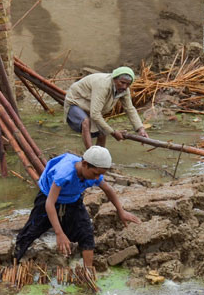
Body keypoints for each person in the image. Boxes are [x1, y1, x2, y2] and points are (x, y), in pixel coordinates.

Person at [13, 146, 140, 281]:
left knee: (86, 232)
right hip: (47, 197)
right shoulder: (64, 174)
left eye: (100, 175)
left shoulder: (94, 173)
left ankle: (88, 272)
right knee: (31, 232)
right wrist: (59, 233)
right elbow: (49, 204)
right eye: (95, 174)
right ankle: (14, 261)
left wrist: (121, 211)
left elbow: (108, 189)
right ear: (85, 164)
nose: (97, 178)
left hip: (73, 199)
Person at [64, 66, 149, 149]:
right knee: (86, 122)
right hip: (76, 101)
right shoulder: (103, 85)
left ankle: (99, 158)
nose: (124, 86)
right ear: (114, 79)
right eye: (122, 82)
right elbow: (95, 114)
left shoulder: (124, 90)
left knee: (103, 131)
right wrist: (113, 132)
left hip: (91, 105)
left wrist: (140, 129)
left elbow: (130, 109)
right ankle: (90, 156)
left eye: (127, 84)